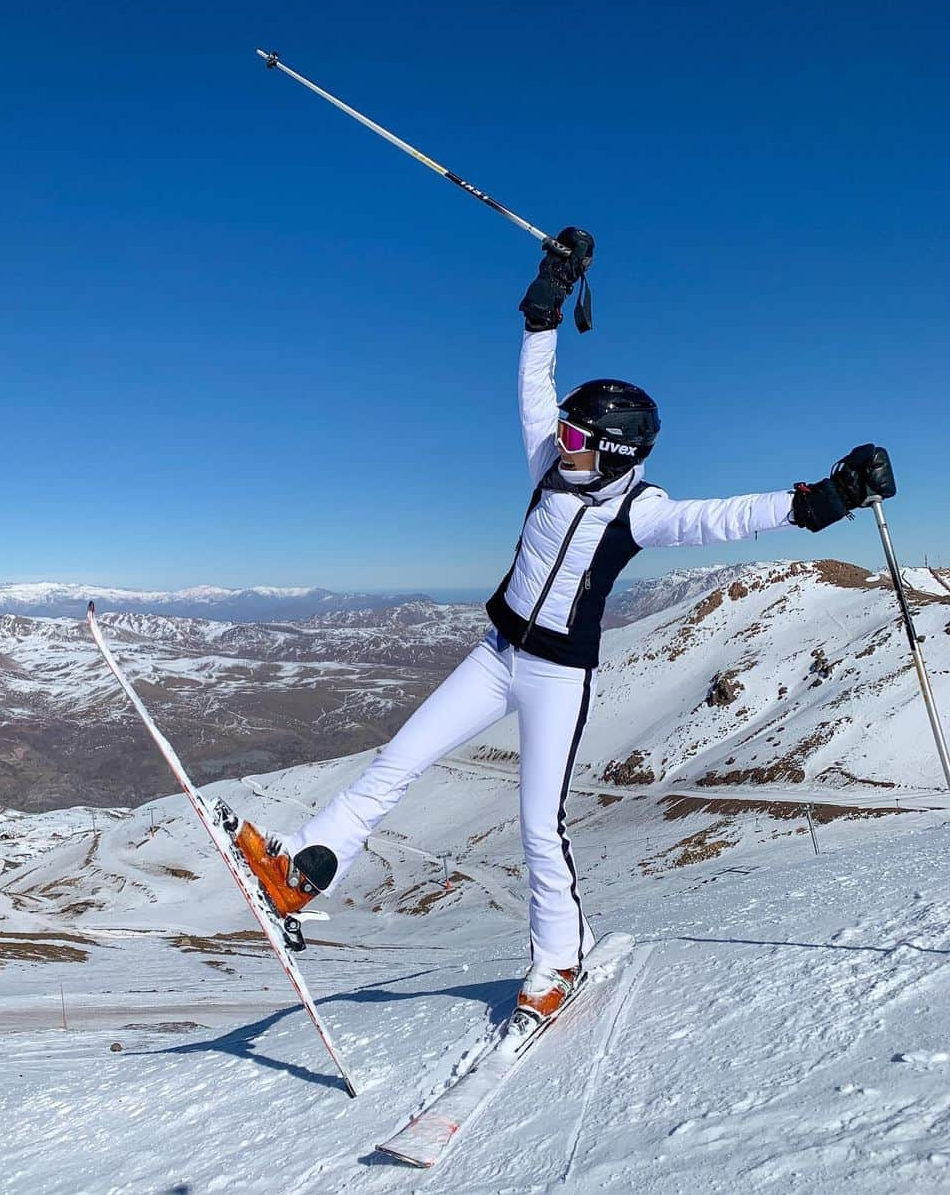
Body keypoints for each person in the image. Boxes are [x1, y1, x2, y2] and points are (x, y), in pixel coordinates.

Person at [234, 227, 896, 1030]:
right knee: (397, 762)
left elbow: (725, 518)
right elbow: (533, 386)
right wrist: (547, 296)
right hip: (495, 652)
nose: (563, 444)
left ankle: (559, 959)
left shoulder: (640, 511)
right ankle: (304, 869)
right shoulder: (548, 466)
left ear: (616, 453)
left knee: (536, 828)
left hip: (556, 677)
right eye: (568, 435)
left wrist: (825, 498)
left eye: (580, 440)